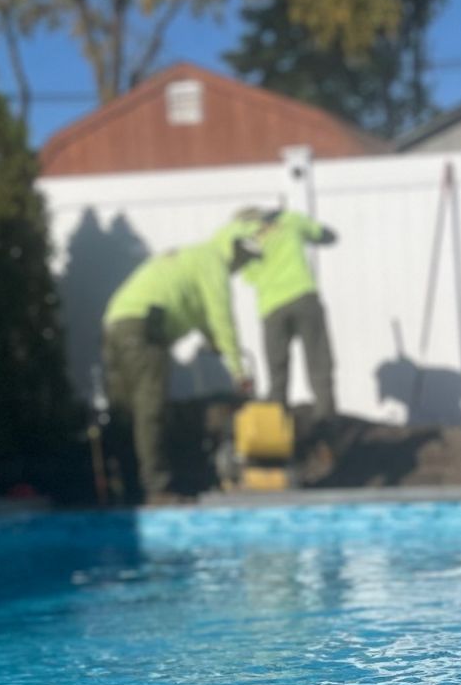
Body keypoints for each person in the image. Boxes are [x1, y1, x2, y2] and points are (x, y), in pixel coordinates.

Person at [101, 223, 258, 502]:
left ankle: (125, 489)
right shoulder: (213, 263)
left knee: (124, 411)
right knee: (150, 410)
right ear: (234, 249)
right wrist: (238, 372)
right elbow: (223, 319)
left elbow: (205, 319)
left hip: (117, 322)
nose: (242, 267)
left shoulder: (194, 258)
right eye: (244, 260)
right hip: (143, 328)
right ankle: (157, 488)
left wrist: (216, 344)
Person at [244, 205, 339, 420]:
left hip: (272, 308)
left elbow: (249, 277)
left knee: (277, 374)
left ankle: (276, 434)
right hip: (302, 296)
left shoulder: (249, 238)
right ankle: (327, 429)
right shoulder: (290, 219)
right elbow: (327, 235)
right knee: (319, 365)